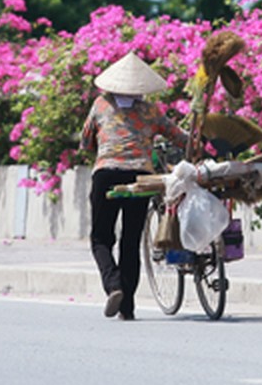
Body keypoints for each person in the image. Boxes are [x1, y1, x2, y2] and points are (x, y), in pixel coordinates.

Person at [80, 52, 188, 320]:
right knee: (131, 241)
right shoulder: (151, 111)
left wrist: (102, 146)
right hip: (141, 177)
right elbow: (179, 137)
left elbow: (85, 142)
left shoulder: (101, 104)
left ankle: (113, 285)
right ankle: (127, 308)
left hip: (106, 174)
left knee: (101, 238)